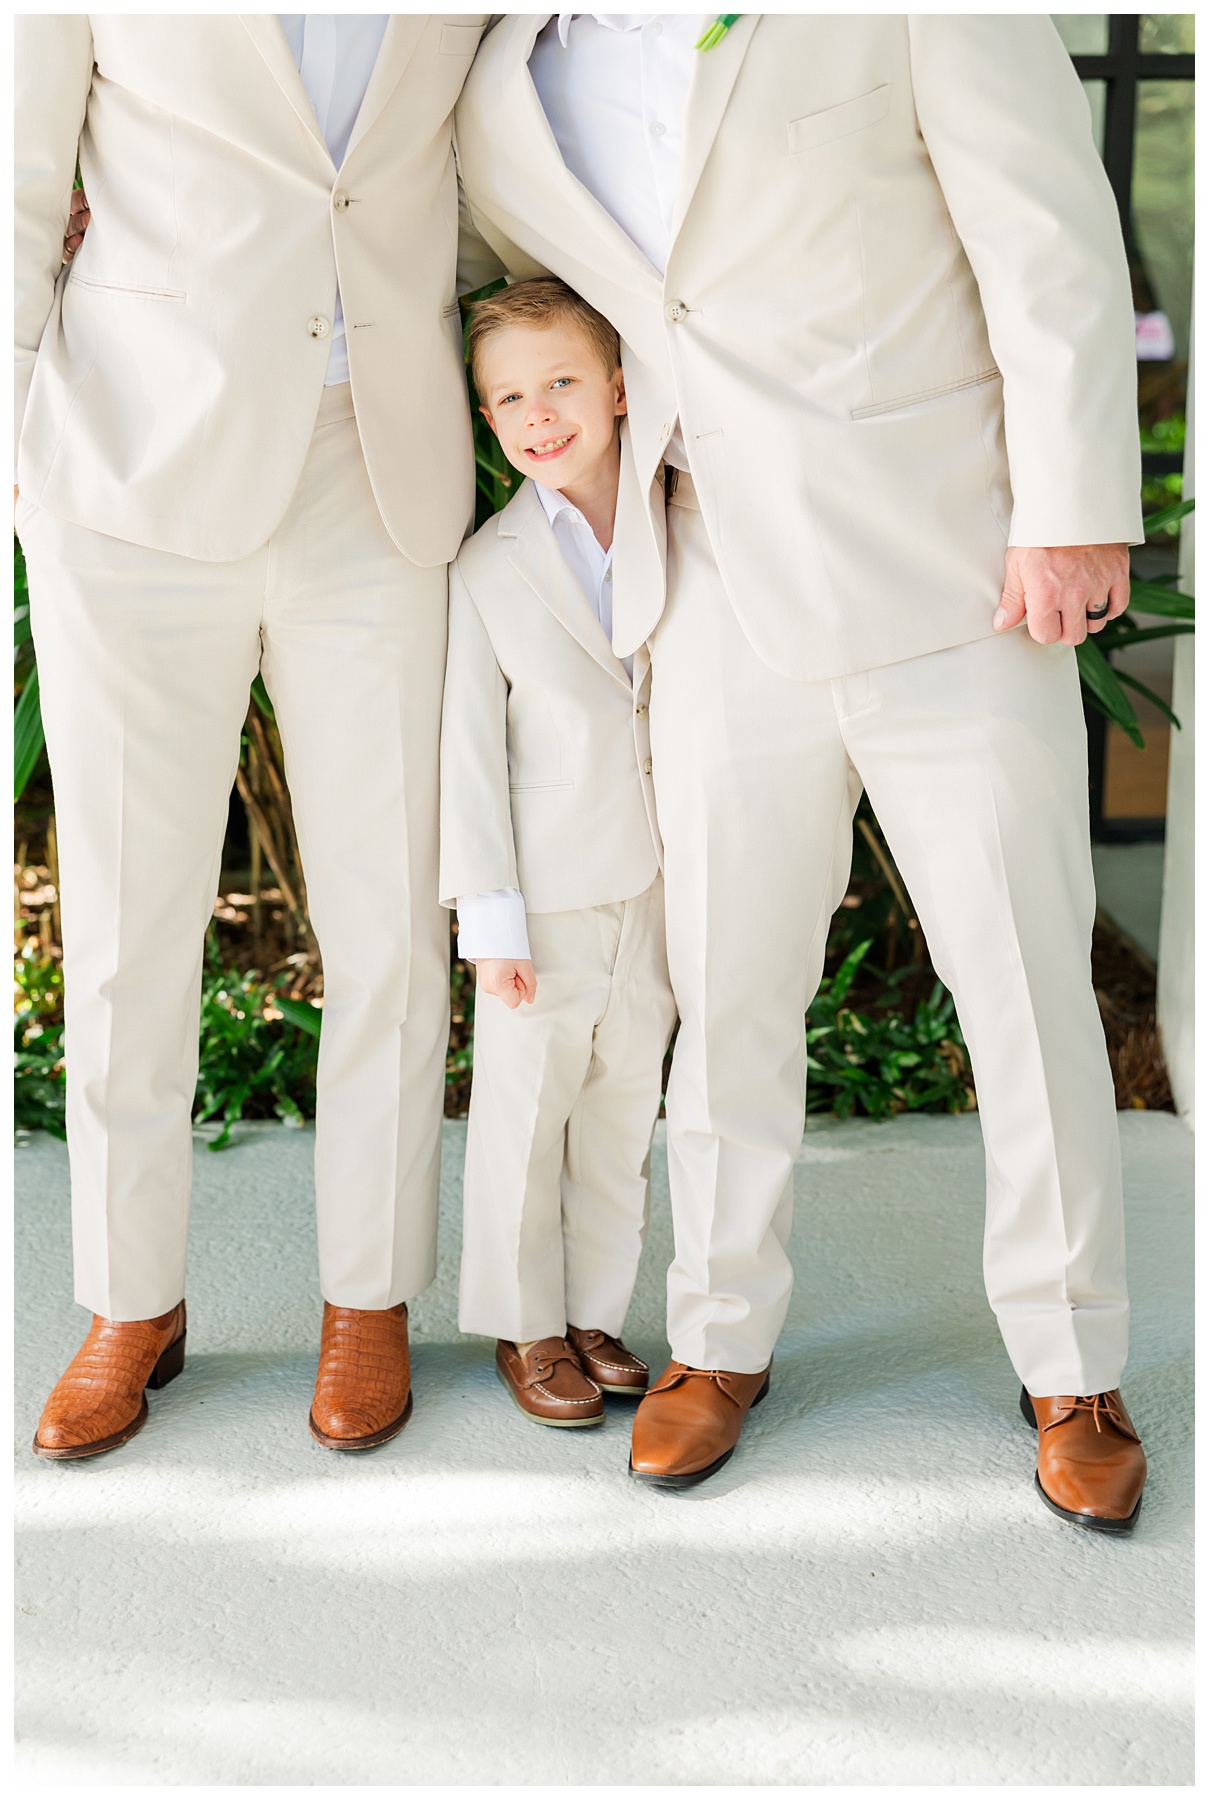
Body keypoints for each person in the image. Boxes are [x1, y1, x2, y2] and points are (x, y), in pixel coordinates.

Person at [454, 14, 1150, 1522]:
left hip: (951, 564)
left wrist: (1072, 507)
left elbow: (1046, 228)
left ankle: (1073, 1364)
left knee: (1022, 984)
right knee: (727, 984)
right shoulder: (499, 73)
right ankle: (715, 1337)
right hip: (700, 582)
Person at [16, 13, 494, 1459]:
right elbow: (18, 186)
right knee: (123, 921)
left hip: (382, 467)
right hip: (133, 472)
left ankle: (370, 1296)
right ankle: (128, 1300)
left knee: (391, 927)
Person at [441, 278, 677, 1429]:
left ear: (621, 386)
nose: (538, 414)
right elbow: (469, 754)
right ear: (487, 420)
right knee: (526, 1116)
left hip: (669, 880)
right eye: (508, 398)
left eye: (562, 383)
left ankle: (593, 1310)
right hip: (546, 892)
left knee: (623, 1113)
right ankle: (525, 1324)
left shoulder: (684, 519)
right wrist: (489, 921)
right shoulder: (486, 567)